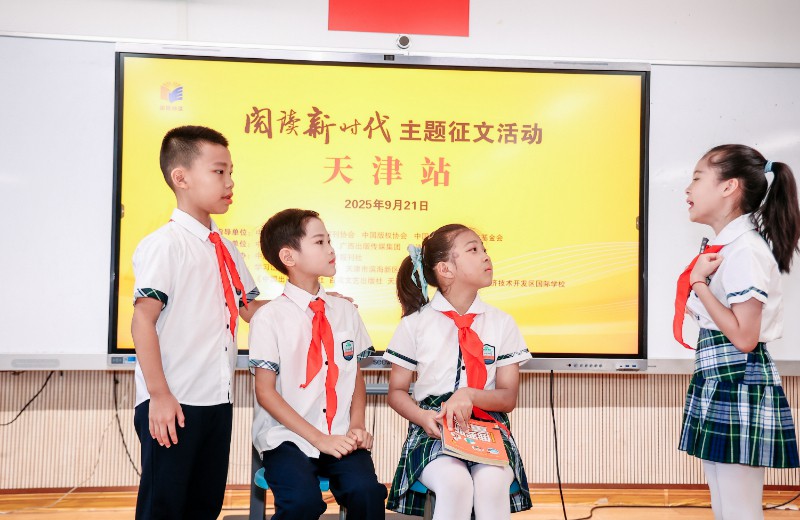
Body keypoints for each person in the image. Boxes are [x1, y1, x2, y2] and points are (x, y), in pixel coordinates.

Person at [131, 125, 266, 519]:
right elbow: (142, 321)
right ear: (181, 177)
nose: (230, 182)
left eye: (230, 172)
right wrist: (159, 395)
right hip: (173, 400)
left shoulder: (226, 248)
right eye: (219, 171)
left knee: (204, 507)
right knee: (164, 508)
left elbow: (249, 309)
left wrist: (312, 301)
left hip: (217, 399)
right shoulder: (166, 244)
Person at [675, 144, 800, 519]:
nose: (688, 189)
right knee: (725, 505)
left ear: (729, 187)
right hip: (722, 377)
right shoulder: (731, 245)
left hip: (739, 379)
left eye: (697, 178)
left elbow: (745, 337)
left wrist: (699, 285)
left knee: (739, 510)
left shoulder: (745, 249)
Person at [383, 224, 533, 519]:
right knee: (455, 483)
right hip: (433, 428)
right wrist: (422, 417)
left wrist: (469, 395)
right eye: (473, 249)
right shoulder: (415, 324)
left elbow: (507, 398)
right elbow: (397, 392)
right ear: (445, 269)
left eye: (484, 249)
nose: (486, 256)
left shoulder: (502, 323)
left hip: (489, 427)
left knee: (492, 483)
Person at [249, 208, 387, 520]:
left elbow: (355, 377)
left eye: (329, 241)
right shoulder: (269, 318)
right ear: (289, 256)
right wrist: (318, 439)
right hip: (287, 437)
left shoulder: (345, 311)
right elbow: (265, 393)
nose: (330, 249)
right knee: (301, 503)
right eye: (320, 242)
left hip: (339, 433)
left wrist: (357, 426)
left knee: (367, 492)